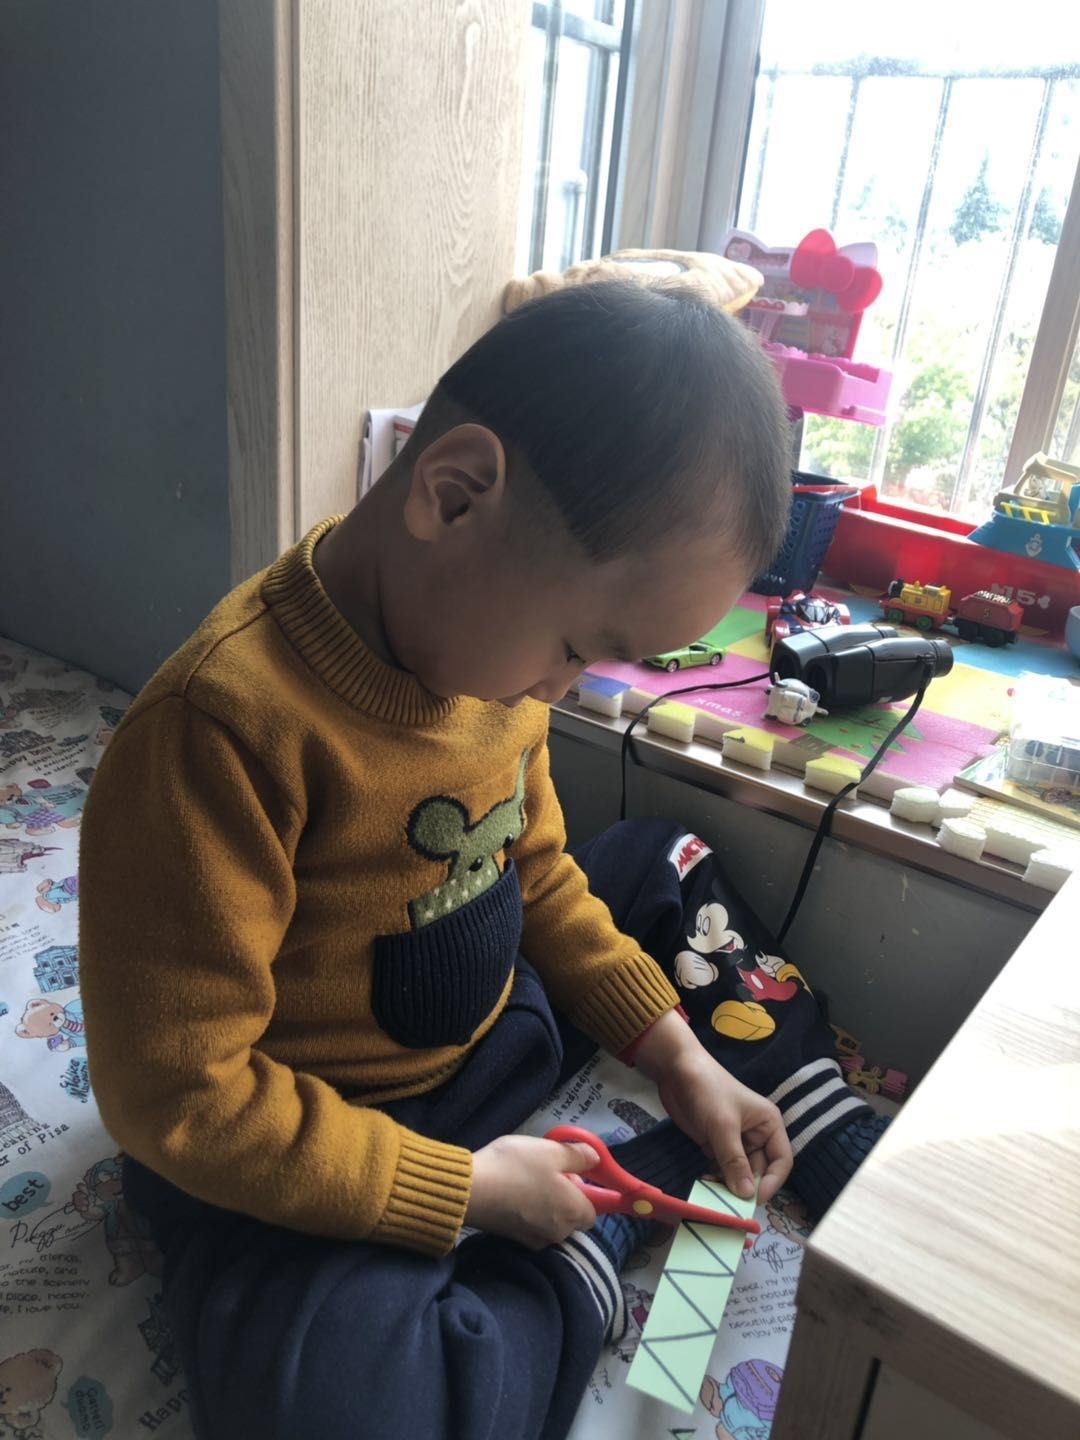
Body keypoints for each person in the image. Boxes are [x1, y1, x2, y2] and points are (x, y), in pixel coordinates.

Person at [80, 281, 885, 1440]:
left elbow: (536, 874)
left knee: (666, 859)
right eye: (575, 647)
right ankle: (596, 1234)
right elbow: (176, 1093)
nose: (564, 689)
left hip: (492, 1036)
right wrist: (467, 1192)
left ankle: (781, 1098)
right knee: (330, 1405)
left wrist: (675, 1056)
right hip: (320, 1136)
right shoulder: (220, 733)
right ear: (453, 495)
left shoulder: (486, 666)